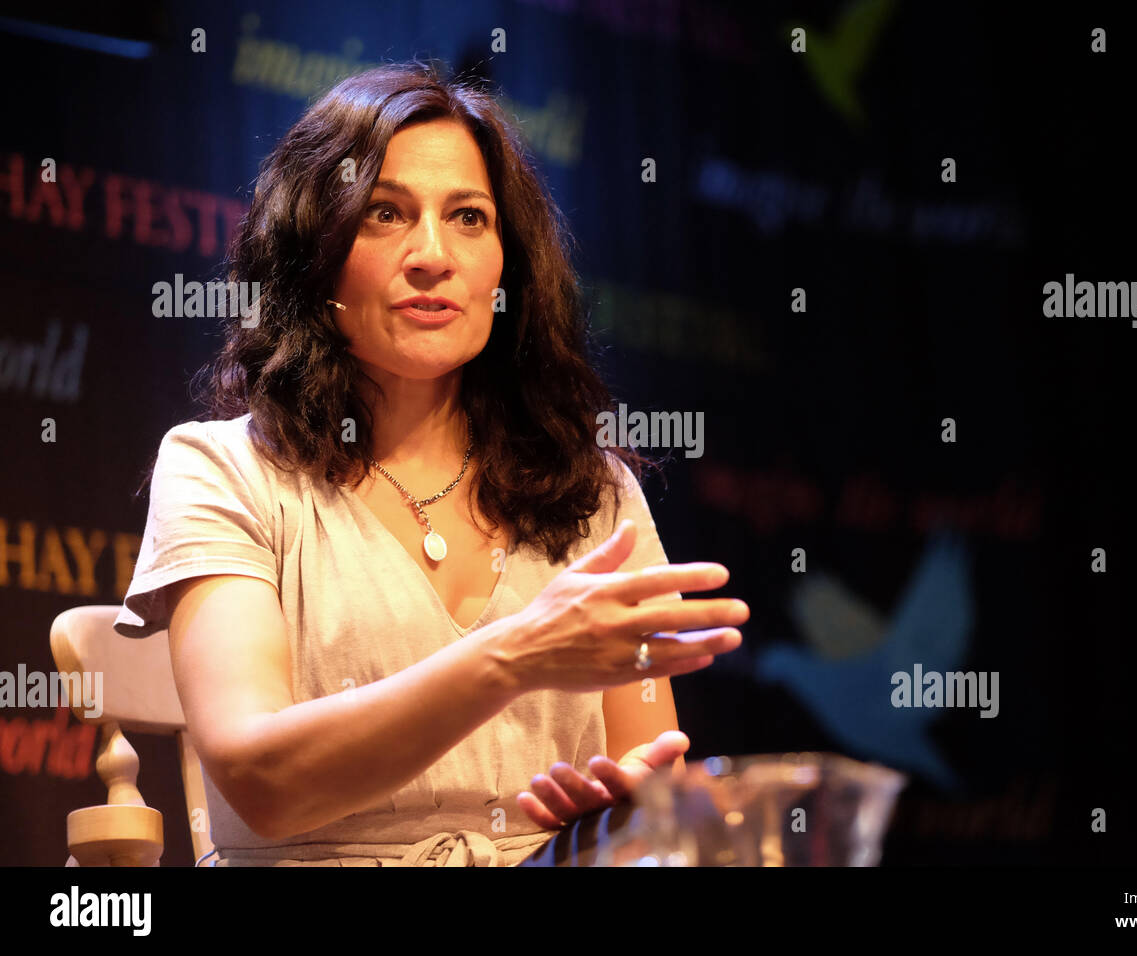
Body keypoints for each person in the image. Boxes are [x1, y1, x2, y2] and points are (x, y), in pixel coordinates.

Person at [113, 60, 749, 867]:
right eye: (384, 213)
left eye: (469, 218)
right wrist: (515, 655)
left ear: (507, 266)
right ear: (316, 248)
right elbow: (259, 779)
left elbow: (656, 781)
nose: (432, 255)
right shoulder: (221, 470)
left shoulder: (591, 493)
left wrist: (622, 816)